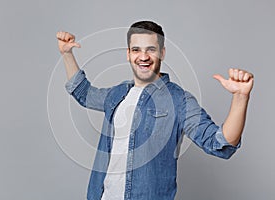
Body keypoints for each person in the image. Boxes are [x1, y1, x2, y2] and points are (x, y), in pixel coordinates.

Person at [56, 21, 254, 200]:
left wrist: (240, 97)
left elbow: (220, 143)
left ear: (162, 53)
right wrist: (67, 54)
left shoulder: (179, 100)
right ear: (128, 54)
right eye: (136, 50)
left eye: (151, 49)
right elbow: (83, 93)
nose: (143, 57)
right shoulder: (116, 94)